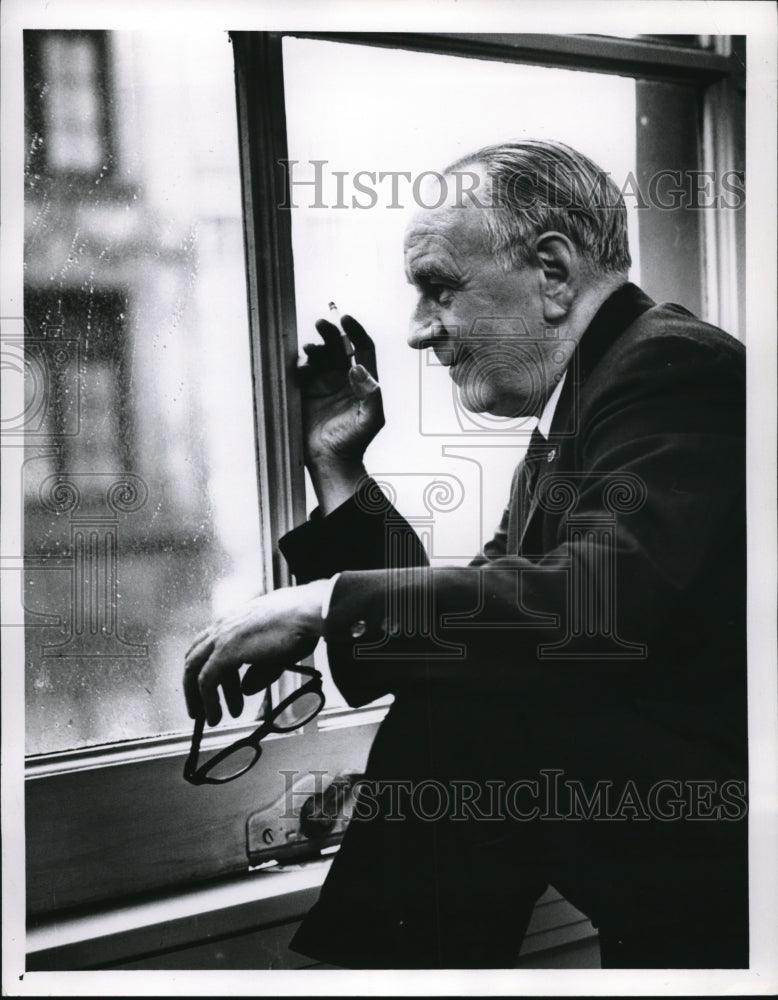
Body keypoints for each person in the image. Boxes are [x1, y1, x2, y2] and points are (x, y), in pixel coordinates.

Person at [184, 140, 748, 969]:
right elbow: (479, 617)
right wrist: (340, 469)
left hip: (735, 858)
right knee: (470, 685)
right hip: (683, 854)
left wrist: (321, 601)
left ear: (553, 274)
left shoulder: (672, 366)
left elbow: (590, 608)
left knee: (467, 713)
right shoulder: (588, 401)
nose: (418, 333)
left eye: (439, 289)